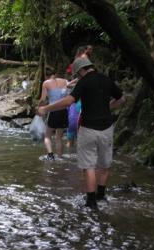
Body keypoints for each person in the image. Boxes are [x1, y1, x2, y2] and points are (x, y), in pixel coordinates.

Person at [37, 58, 126, 209]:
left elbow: (68, 101)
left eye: (78, 74)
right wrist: (108, 108)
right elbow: (122, 99)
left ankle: (91, 202)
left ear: (81, 71)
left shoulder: (84, 82)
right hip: (107, 128)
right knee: (104, 165)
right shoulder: (106, 80)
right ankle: (101, 196)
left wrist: (46, 109)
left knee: (89, 166)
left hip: (88, 128)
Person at [37, 68, 68, 160]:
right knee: (59, 137)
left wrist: (39, 108)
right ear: (56, 73)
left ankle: (50, 155)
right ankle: (60, 157)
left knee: (47, 136)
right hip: (63, 111)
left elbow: (43, 99)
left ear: (46, 76)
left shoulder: (46, 83)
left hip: (53, 111)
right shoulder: (65, 81)